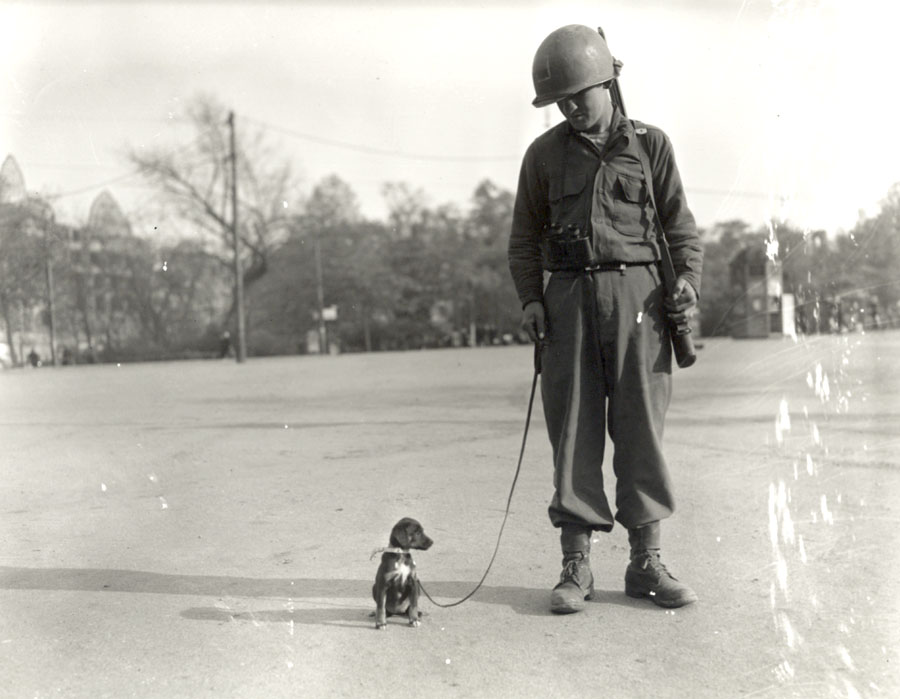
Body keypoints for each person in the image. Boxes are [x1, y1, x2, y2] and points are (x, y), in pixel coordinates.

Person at [507, 24, 703, 614]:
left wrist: (687, 285)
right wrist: (532, 299)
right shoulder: (542, 156)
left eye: (578, 95)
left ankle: (646, 562)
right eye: (559, 102)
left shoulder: (652, 145)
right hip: (567, 301)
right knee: (573, 431)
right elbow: (523, 241)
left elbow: (681, 229)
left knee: (641, 430)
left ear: (609, 81)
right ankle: (576, 566)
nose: (569, 108)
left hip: (642, 300)